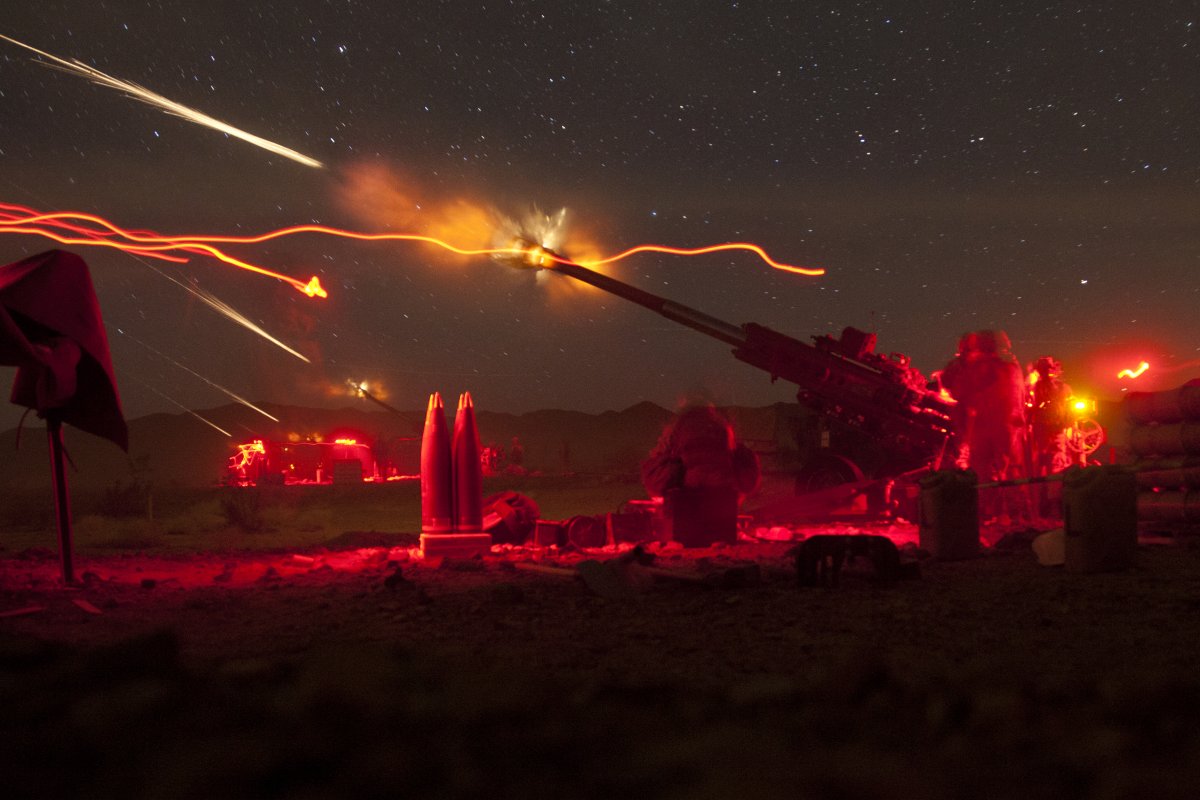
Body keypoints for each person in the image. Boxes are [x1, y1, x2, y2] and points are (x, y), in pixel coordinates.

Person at [939, 330, 1029, 521]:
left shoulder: (982, 368)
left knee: (986, 471)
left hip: (989, 426)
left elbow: (959, 391)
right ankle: (1016, 512)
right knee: (1009, 469)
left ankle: (992, 512)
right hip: (1007, 426)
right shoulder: (1011, 367)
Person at [641, 403, 760, 500]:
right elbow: (749, 482)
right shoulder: (723, 428)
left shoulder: (677, 430)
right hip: (723, 507)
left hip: (685, 508)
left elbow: (655, 482)